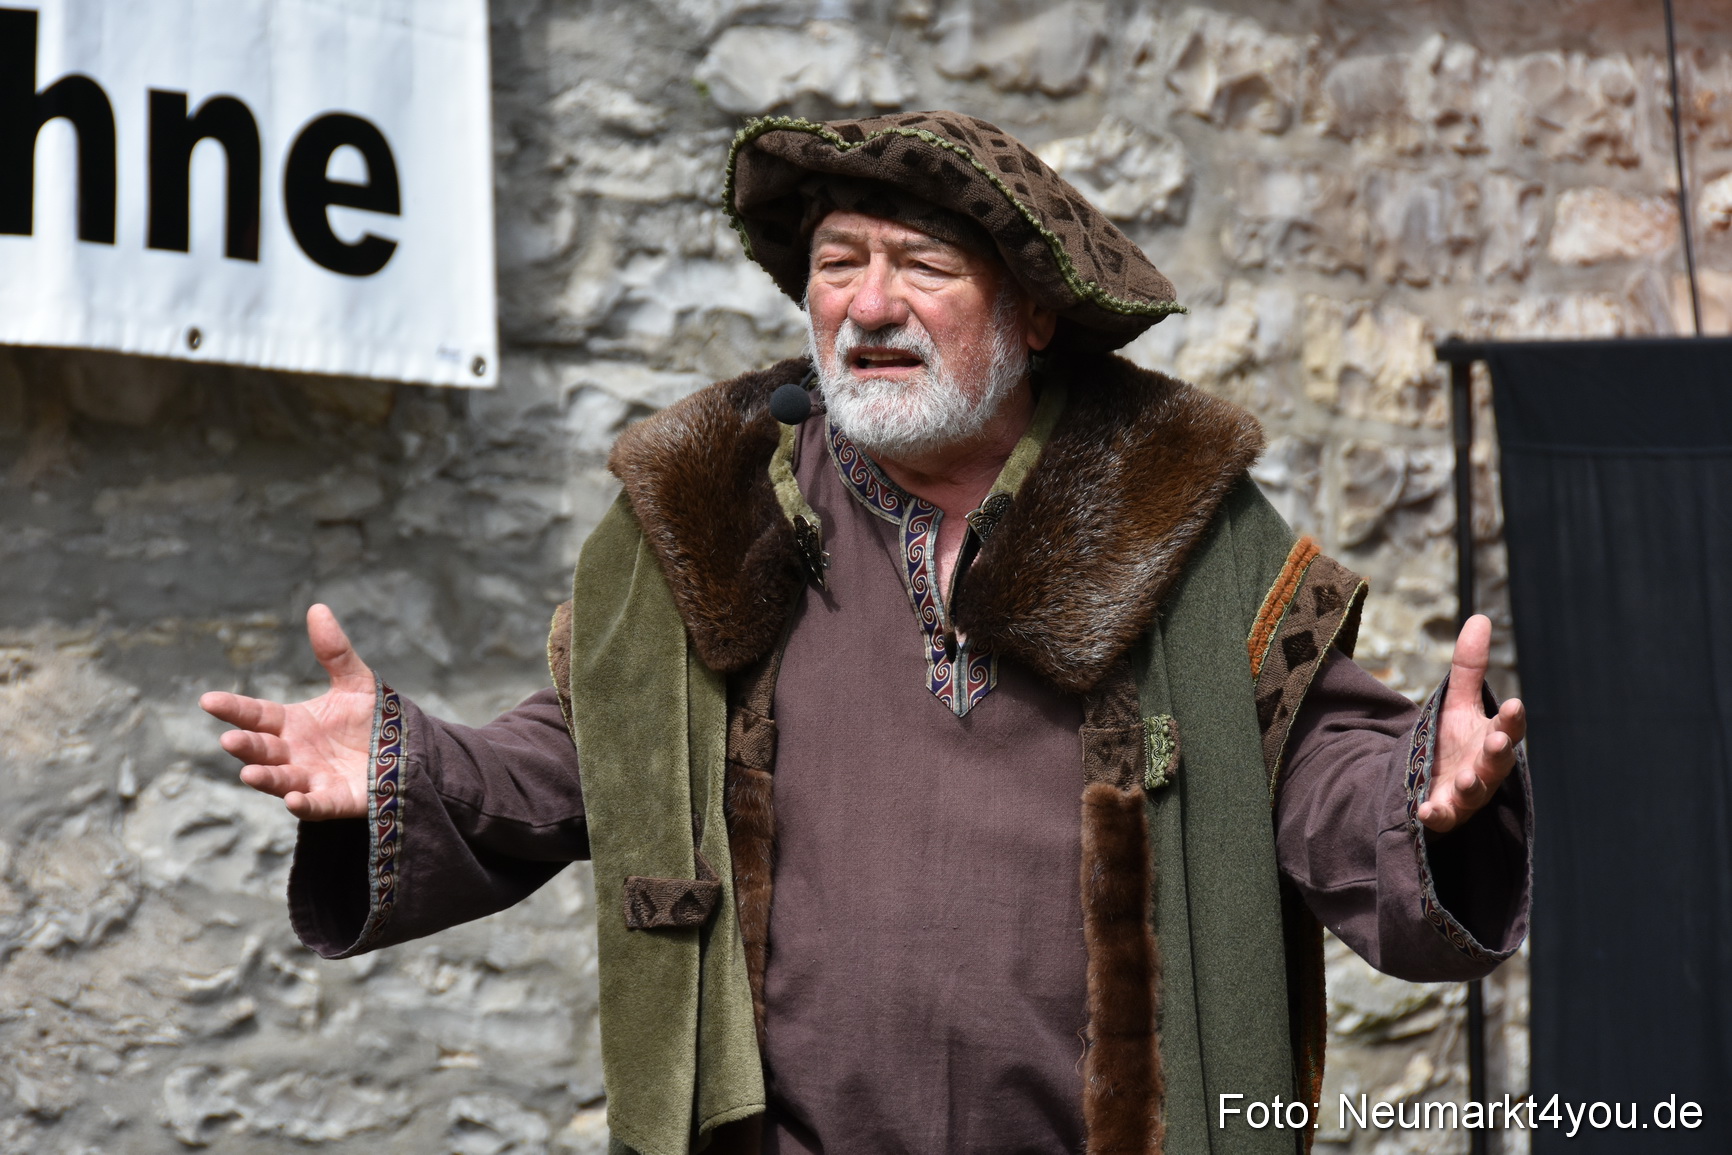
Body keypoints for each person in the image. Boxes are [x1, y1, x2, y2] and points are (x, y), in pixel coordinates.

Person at [201, 112, 1531, 1155]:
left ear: (1033, 313)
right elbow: (578, 756)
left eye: (922, 268)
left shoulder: (1178, 519)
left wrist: (1423, 792)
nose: (870, 304)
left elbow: (1318, 770)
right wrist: (402, 764)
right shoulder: (715, 512)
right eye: (839, 265)